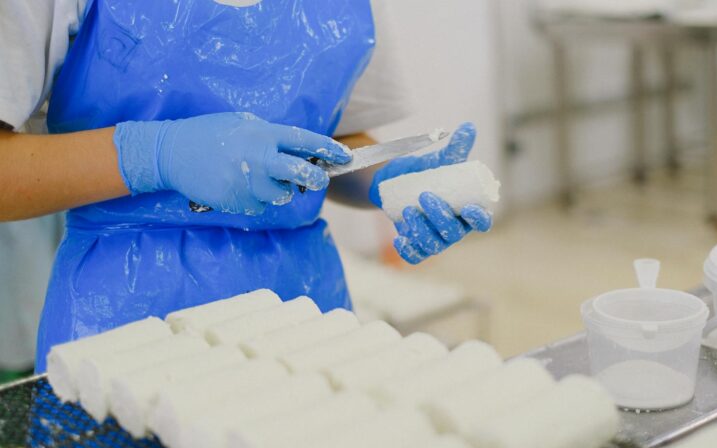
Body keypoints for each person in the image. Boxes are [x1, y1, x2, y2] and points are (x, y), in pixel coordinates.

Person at [0, 0, 493, 373]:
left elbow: (333, 137)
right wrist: (155, 154)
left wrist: (383, 182)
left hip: (303, 307)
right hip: (124, 321)